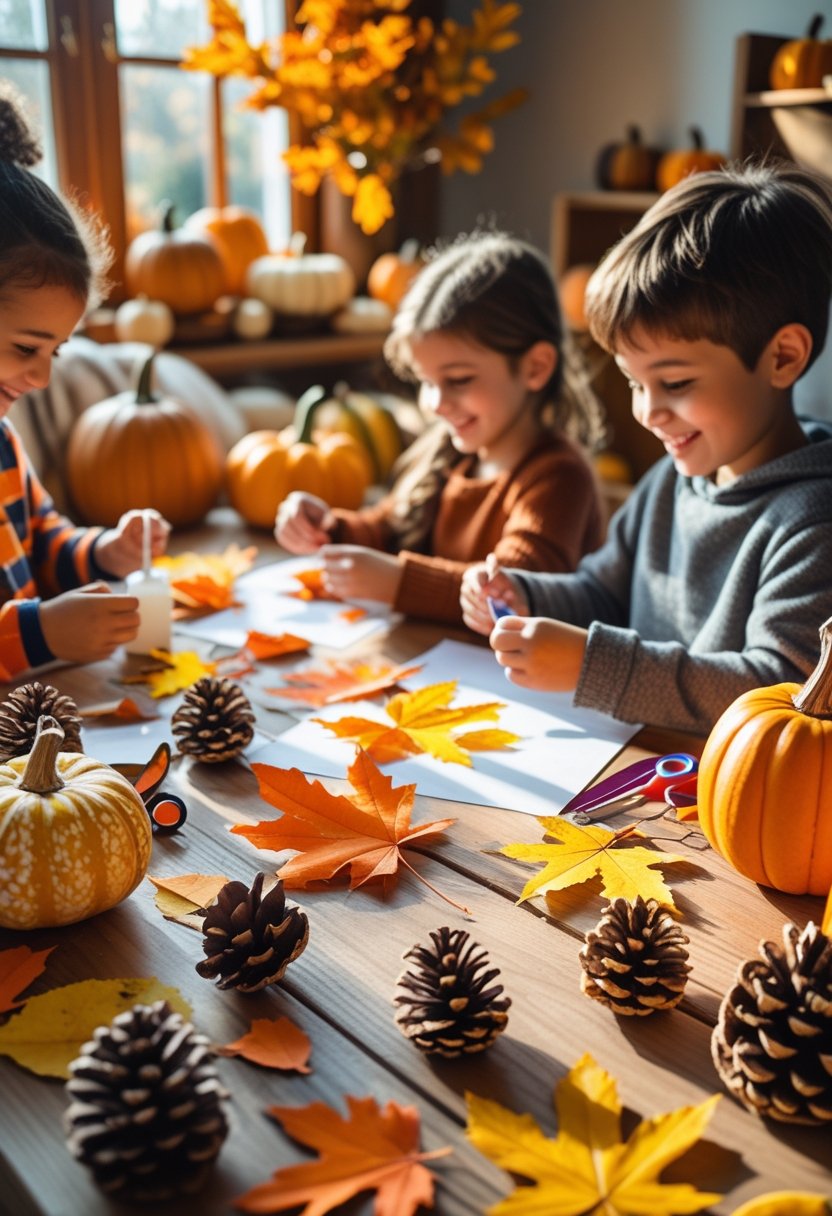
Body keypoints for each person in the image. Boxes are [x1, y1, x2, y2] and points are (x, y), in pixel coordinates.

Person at [461, 160, 832, 736]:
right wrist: (525, 595)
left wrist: (591, 664)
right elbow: (602, 592)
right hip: (634, 758)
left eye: (676, 384)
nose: (647, 411)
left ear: (782, 357)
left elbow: (778, 691)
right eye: (635, 383)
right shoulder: (672, 478)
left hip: (715, 807)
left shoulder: (814, 520)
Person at [275, 230, 606, 624]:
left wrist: (396, 581)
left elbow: (510, 593)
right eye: (426, 382)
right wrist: (330, 528)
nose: (435, 404)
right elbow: (391, 527)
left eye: (459, 380)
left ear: (535, 367)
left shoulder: (560, 477)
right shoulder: (449, 452)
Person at [0, 84, 170, 680]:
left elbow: (44, 543)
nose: (43, 376)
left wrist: (102, 553)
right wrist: (40, 633)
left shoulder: (3, 442)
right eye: (26, 348)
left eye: (56, 351)